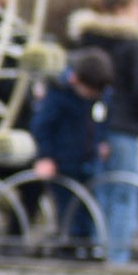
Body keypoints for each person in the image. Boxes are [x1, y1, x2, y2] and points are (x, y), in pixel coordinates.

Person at [67, 0, 138, 264]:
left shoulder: (84, 41)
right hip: (124, 126)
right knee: (124, 192)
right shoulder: (133, 45)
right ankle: (117, 255)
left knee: (100, 190)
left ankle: (98, 247)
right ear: (122, 10)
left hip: (89, 126)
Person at [26, 45, 111, 250]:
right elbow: (42, 127)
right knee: (67, 210)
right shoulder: (58, 95)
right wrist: (45, 157)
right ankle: (69, 246)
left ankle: (87, 245)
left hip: (87, 159)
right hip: (63, 162)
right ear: (75, 79)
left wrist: (101, 141)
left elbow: (100, 120)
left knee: (88, 209)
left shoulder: (96, 96)